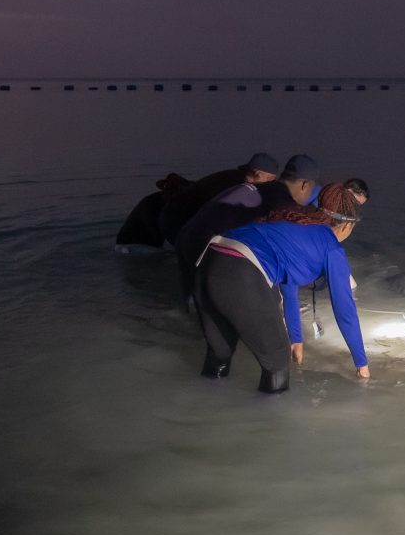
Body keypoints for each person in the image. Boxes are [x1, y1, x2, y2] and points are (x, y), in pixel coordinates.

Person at [193, 183, 369, 393]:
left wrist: (296, 339)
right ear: (347, 226)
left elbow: (288, 287)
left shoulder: (293, 225)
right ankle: (270, 422)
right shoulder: (331, 247)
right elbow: (345, 311)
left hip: (207, 262)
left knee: (219, 357)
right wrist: (362, 365)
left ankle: (205, 408)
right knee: (277, 363)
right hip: (241, 271)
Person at [175, 154, 320, 300]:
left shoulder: (257, 187)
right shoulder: (283, 204)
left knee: (198, 306)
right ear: (304, 185)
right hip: (205, 245)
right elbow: (285, 256)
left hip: (186, 235)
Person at [157, 152, 279, 245]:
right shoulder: (237, 187)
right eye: (269, 180)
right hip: (176, 220)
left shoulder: (234, 178)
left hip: (178, 215)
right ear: (257, 174)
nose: (271, 184)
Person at [114, 173, 191, 249]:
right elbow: (157, 234)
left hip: (135, 244)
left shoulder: (163, 203)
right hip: (132, 245)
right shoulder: (151, 204)